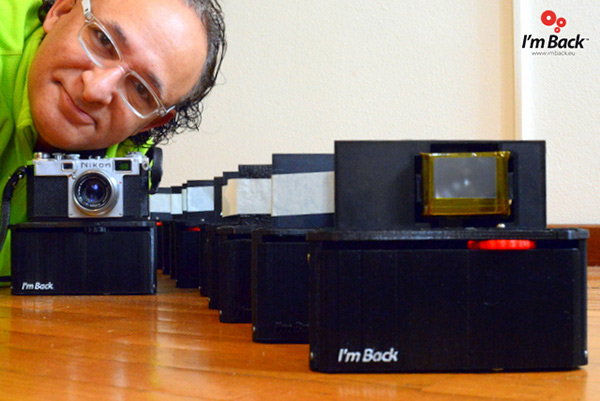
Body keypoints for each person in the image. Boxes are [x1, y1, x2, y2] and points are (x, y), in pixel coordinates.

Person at [0, 0, 226, 279]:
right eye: (102, 40)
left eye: (140, 90)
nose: (95, 90)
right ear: (60, 11)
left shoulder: (127, 174)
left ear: (150, 123)